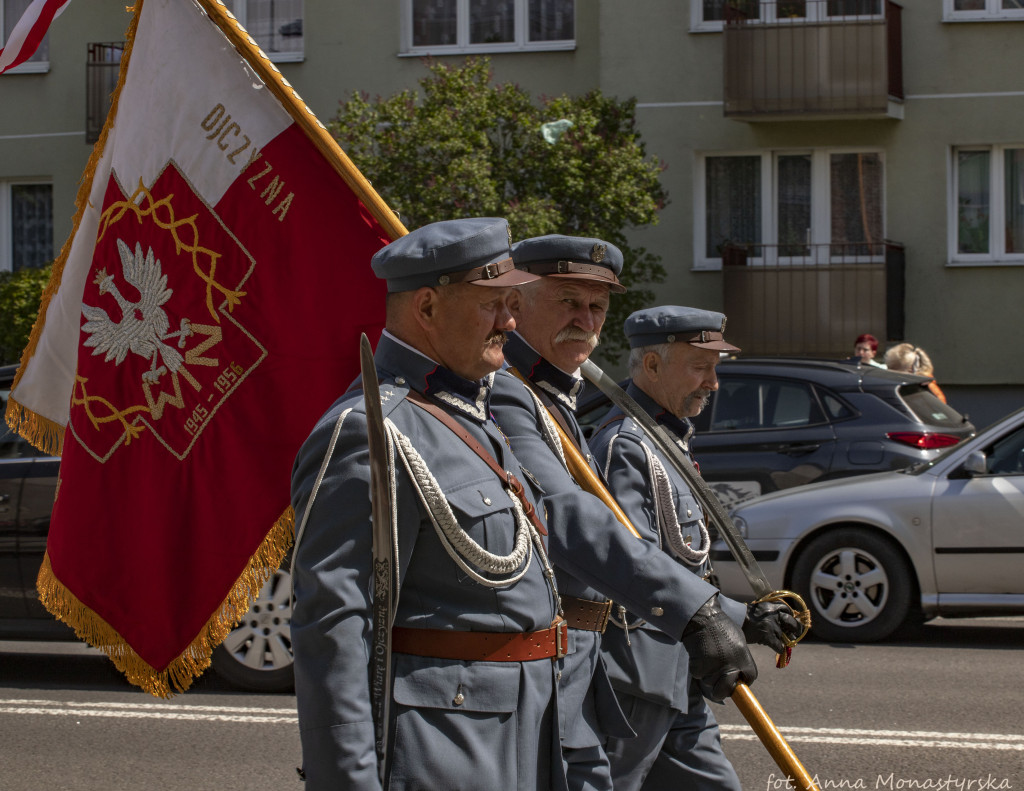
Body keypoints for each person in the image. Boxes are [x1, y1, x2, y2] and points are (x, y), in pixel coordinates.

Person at [490, 236, 796, 791]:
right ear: (516, 304)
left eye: (597, 307)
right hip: (618, 663)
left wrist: (728, 612)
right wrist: (712, 613)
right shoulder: (518, 398)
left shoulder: (557, 399)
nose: (585, 319)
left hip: (635, 658)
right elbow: (583, 528)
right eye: (567, 301)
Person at [290, 218, 567, 791]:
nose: (510, 323)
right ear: (427, 306)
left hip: (526, 726)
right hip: (446, 749)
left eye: (513, 305)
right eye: (493, 305)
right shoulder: (371, 430)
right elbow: (335, 627)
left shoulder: (473, 414)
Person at [589, 306, 803, 791]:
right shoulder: (626, 445)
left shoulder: (665, 439)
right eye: (700, 367)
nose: (714, 383)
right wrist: (736, 616)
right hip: (637, 674)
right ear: (652, 366)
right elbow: (637, 566)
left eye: (715, 367)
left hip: (682, 667)